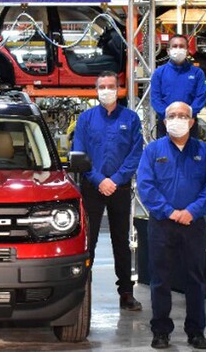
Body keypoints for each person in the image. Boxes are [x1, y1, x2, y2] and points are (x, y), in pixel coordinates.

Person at [137, 101, 206, 350]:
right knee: (160, 279)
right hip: (162, 225)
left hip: (193, 225)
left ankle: (196, 331)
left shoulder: (204, 152)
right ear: (164, 121)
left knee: (195, 279)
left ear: (192, 122)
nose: (177, 119)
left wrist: (192, 212)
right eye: (172, 115)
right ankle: (160, 331)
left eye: (183, 115)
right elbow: (146, 186)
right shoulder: (152, 151)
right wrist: (170, 212)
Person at [72, 71, 143, 310]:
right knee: (87, 242)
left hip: (120, 188)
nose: (106, 90)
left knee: (121, 241)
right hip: (92, 187)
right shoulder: (86, 119)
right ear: (96, 90)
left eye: (111, 85)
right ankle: (82, 291)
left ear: (118, 88)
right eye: (102, 86)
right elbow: (79, 154)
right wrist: (99, 179)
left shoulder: (131, 119)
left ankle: (126, 292)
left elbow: (135, 154)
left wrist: (116, 179)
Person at [150, 34, 206, 138]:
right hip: (166, 124)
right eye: (175, 46)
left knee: (190, 153)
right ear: (168, 50)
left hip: (189, 124)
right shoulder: (159, 73)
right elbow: (155, 99)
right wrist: (169, 117)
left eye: (181, 46)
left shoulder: (197, 73)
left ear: (187, 50)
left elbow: (200, 97)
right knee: (164, 154)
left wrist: (187, 116)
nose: (178, 49)